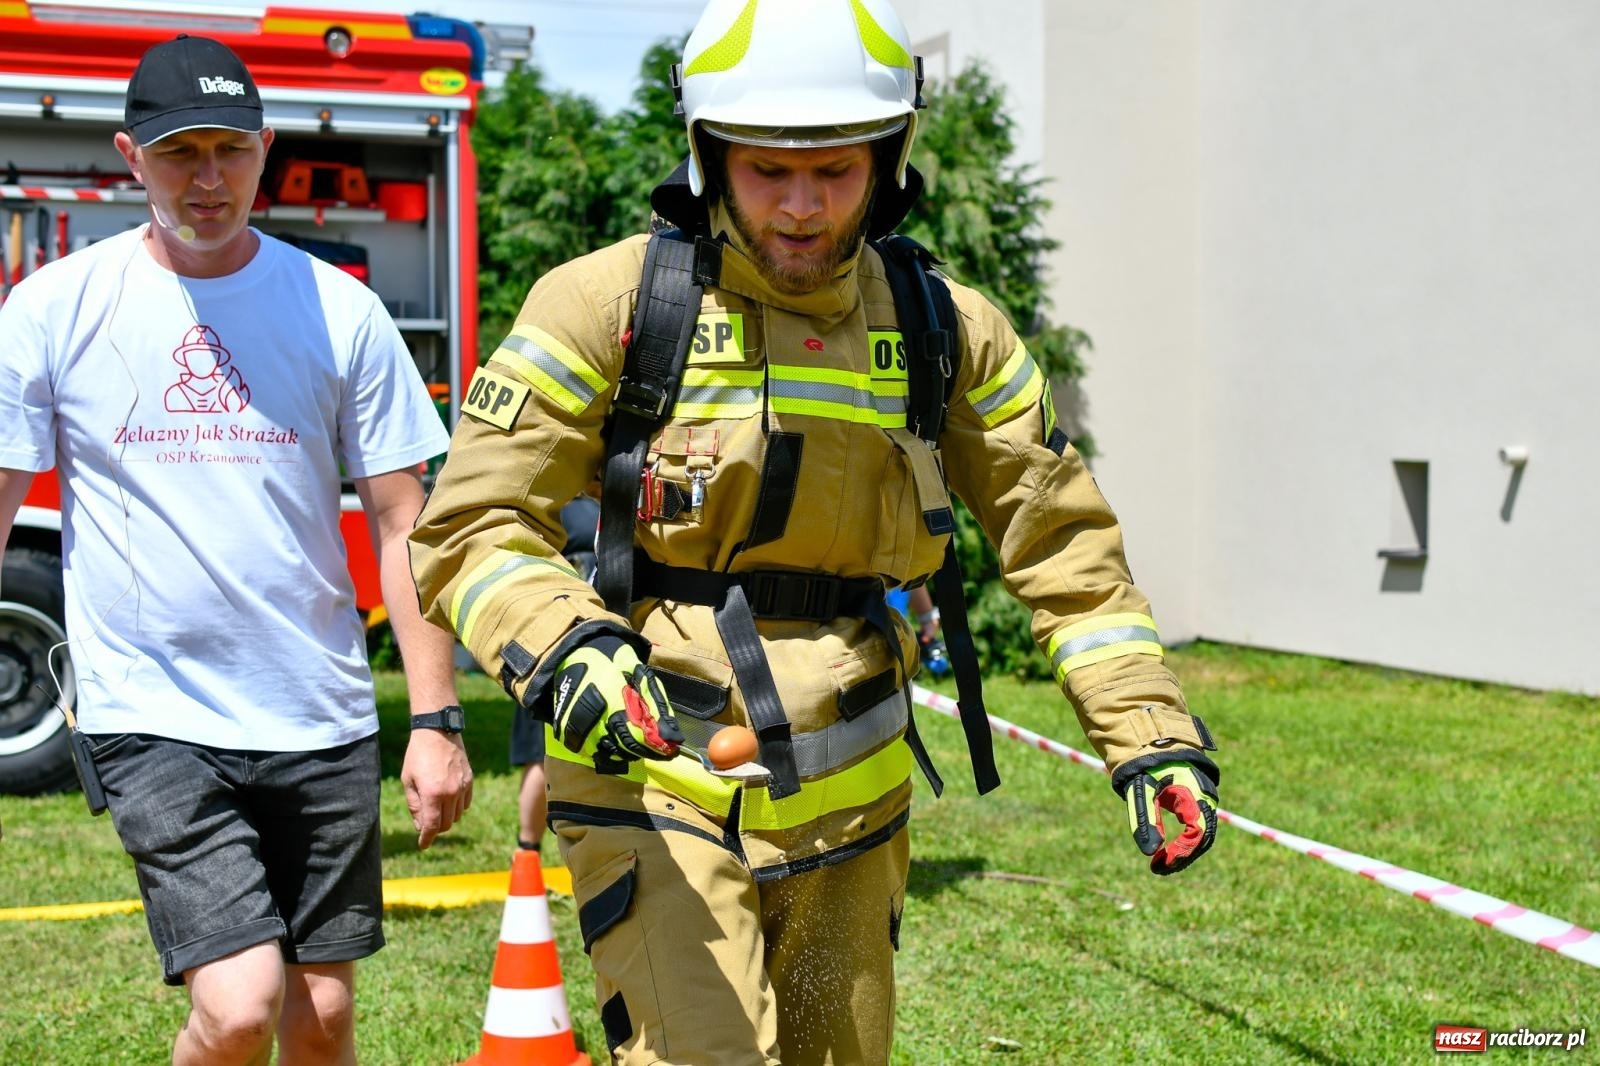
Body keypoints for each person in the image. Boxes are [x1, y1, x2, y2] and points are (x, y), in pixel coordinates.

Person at [409, 0, 1220, 1061]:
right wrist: (565, 647)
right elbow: (472, 518)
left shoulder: (943, 327)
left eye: (835, 170)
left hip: (857, 796)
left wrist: (1150, 733)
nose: (801, 206)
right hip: (656, 779)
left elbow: (1062, 546)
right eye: (767, 171)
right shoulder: (606, 303)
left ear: (889, 159)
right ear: (709, 156)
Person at [0, 34, 472, 1066]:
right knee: (241, 1006)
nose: (207, 177)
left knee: (324, 1018)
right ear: (132, 157)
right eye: (179, 152)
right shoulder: (51, 308)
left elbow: (407, 523)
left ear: (266, 150)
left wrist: (437, 720)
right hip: (152, 709)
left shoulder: (341, 310)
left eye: (230, 149)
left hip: (319, 708)